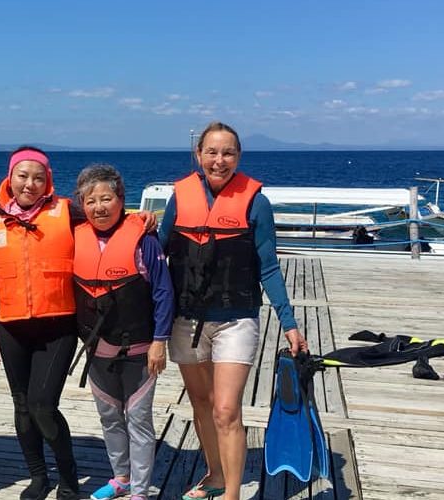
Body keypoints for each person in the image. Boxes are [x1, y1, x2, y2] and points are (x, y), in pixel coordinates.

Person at [158, 122, 306, 500]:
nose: (219, 160)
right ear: (198, 155)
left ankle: (233, 494)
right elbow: (157, 255)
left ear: (238, 157)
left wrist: (289, 323)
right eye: (212, 152)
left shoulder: (257, 203)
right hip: (186, 319)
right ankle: (215, 475)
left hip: (236, 319)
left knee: (226, 409)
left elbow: (268, 267)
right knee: (201, 404)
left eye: (228, 153)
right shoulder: (179, 198)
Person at [0, 146, 81, 500]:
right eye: (22, 176)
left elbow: (108, 219)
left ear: (48, 181)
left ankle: (68, 477)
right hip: (10, 326)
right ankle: (39, 476)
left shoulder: (68, 212)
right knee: (22, 406)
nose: (30, 184)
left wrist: (140, 220)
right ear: (10, 178)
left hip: (58, 325)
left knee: (43, 405)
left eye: (38, 177)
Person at [71, 164, 174, 500]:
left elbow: (163, 292)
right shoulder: (75, 234)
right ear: (82, 205)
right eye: (91, 201)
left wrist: (160, 341)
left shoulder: (144, 239)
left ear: (121, 200)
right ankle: (122, 478)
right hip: (98, 349)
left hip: (140, 348)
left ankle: (140, 491)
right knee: (110, 416)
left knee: (138, 419)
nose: (99, 207)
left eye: (107, 199)